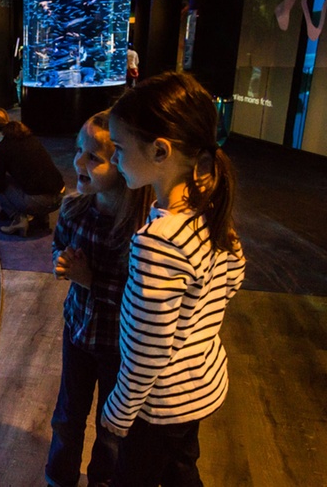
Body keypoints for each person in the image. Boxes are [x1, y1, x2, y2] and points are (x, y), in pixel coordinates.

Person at [100, 72, 246, 486]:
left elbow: (148, 349)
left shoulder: (159, 243)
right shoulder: (210, 212)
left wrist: (119, 411)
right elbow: (231, 281)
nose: (115, 160)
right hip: (199, 385)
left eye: (120, 148)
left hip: (158, 403)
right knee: (181, 469)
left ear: (160, 151)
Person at [45, 111, 152, 487]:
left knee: (111, 424)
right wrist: (60, 262)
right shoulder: (73, 209)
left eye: (94, 157)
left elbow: (141, 300)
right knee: (67, 415)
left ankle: (102, 481)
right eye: (79, 151)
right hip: (77, 331)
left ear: (122, 165)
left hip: (118, 346)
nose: (79, 162)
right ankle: (59, 478)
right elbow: (58, 249)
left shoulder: (140, 229)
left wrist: (89, 280)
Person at [0, 108, 65, 237]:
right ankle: (41, 219)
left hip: (43, 201)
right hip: (60, 195)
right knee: (29, 176)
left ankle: (18, 220)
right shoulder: (24, 134)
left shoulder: (2, 150)